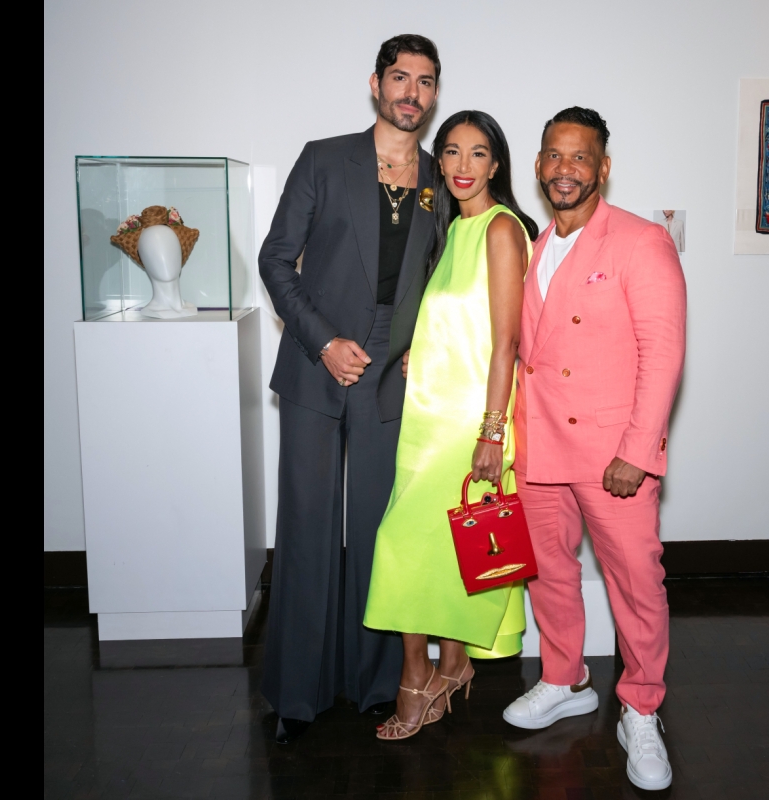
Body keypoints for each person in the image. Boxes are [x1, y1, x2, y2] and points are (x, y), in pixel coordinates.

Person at [257, 34, 441, 745]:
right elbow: (276, 260)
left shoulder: (438, 177)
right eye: (401, 77)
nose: (412, 93)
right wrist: (323, 340)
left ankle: (374, 684)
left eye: (426, 82)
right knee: (305, 531)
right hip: (316, 359)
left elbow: (441, 280)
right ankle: (295, 697)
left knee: (376, 532)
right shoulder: (323, 157)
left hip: (391, 373)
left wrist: (425, 352)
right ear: (375, 84)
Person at [502, 107, 686, 791]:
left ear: (602, 168)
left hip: (615, 457)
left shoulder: (640, 242)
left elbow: (662, 354)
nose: (564, 169)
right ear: (539, 163)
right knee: (548, 572)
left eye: (580, 157)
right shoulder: (529, 244)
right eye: (554, 155)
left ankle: (641, 706)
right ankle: (564, 677)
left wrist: (637, 450)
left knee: (636, 583)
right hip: (540, 444)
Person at [364, 110, 537, 741]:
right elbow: (452, 320)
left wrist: (492, 432)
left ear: (497, 165)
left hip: (467, 423)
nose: (464, 166)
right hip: (427, 418)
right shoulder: (446, 232)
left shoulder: (500, 230)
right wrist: (422, 347)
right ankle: (452, 667)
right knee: (441, 554)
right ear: (440, 163)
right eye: (453, 153)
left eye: (479, 154)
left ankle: (418, 678)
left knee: (409, 546)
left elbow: (506, 343)